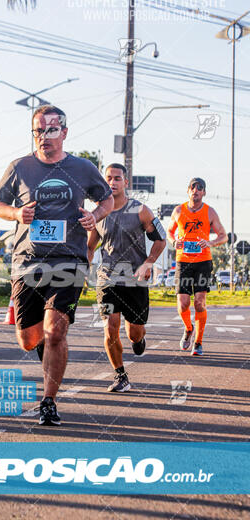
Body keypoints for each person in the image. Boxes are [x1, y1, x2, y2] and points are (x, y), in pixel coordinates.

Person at [0, 105, 113, 425]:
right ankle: (48, 345)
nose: (43, 137)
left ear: (64, 132)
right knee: (29, 339)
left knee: (56, 330)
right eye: (37, 131)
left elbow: (107, 200)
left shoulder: (83, 168)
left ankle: (48, 400)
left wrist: (94, 216)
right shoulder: (19, 166)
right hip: (27, 260)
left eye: (50, 130)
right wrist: (16, 214)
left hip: (68, 258)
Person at [88, 163, 166, 392]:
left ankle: (139, 339)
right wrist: (83, 266)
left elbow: (160, 239)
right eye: (109, 178)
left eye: (117, 178)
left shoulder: (140, 210)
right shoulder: (99, 213)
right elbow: (90, 247)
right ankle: (120, 376)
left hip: (135, 279)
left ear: (126, 182)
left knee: (134, 333)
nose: (113, 182)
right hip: (108, 278)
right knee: (110, 327)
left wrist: (148, 262)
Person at [167, 178, 227, 356]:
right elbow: (169, 232)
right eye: (193, 188)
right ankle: (188, 328)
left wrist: (210, 242)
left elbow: (223, 236)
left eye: (199, 188)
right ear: (188, 191)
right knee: (182, 304)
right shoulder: (179, 210)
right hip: (183, 261)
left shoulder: (210, 212)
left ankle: (198, 342)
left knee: (199, 303)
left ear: (204, 192)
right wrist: (174, 241)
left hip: (203, 262)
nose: (196, 191)